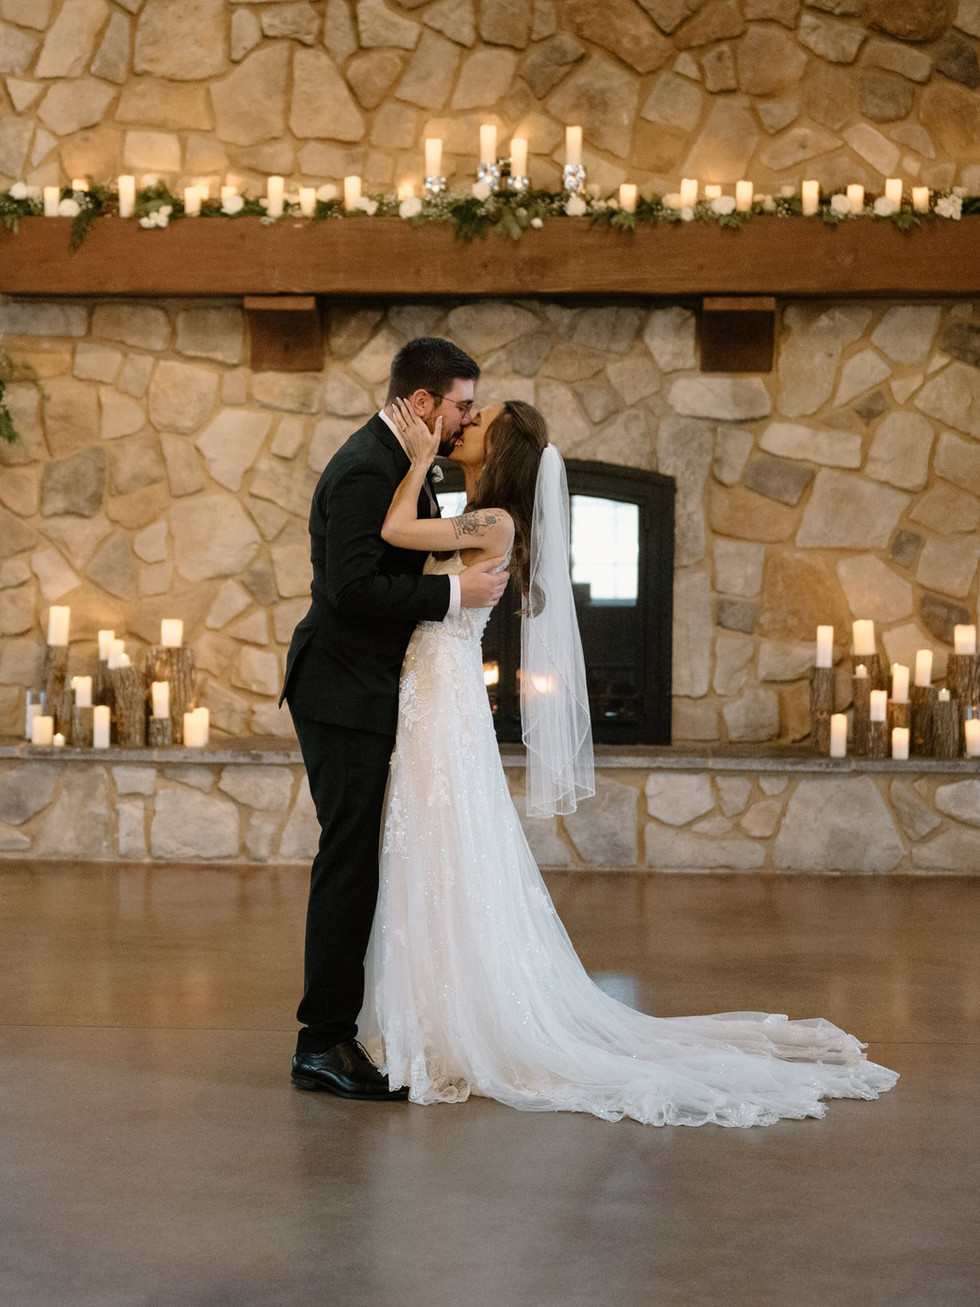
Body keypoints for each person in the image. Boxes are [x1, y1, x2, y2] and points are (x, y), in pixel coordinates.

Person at [355, 396, 900, 1127]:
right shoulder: (478, 511)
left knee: (440, 839)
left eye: (478, 423)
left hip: (444, 695)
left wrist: (419, 456)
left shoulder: (496, 521)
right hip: (433, 691)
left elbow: (393, 530)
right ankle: (431, 1009)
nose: (466, 423)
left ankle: (446, 1021)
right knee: (429, 842)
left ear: (505, 450)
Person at [281, 337, 509, 1101]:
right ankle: (322, 1042)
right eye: (459, 406)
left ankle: (360, 1025)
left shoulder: (421, 466)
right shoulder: (361, 469)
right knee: (349, 858)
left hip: (386, 689)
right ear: (422, 403)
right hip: (340, 691)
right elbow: (349, 590)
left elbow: (430, 547)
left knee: (375, 859)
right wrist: (452, 598)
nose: (464, 419)